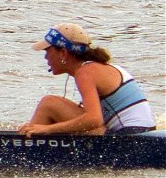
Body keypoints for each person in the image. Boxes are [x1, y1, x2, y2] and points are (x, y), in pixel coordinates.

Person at [19, 23, 155, 137]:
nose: (46, 57)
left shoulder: (85, 72)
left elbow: (94, 119)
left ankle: (24, 150)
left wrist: (46, 129)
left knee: (49, 103)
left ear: (63, 53)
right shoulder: (95, 67)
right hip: (142, 133)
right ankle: (31, 137)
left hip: (129, 138)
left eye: (47, 51)